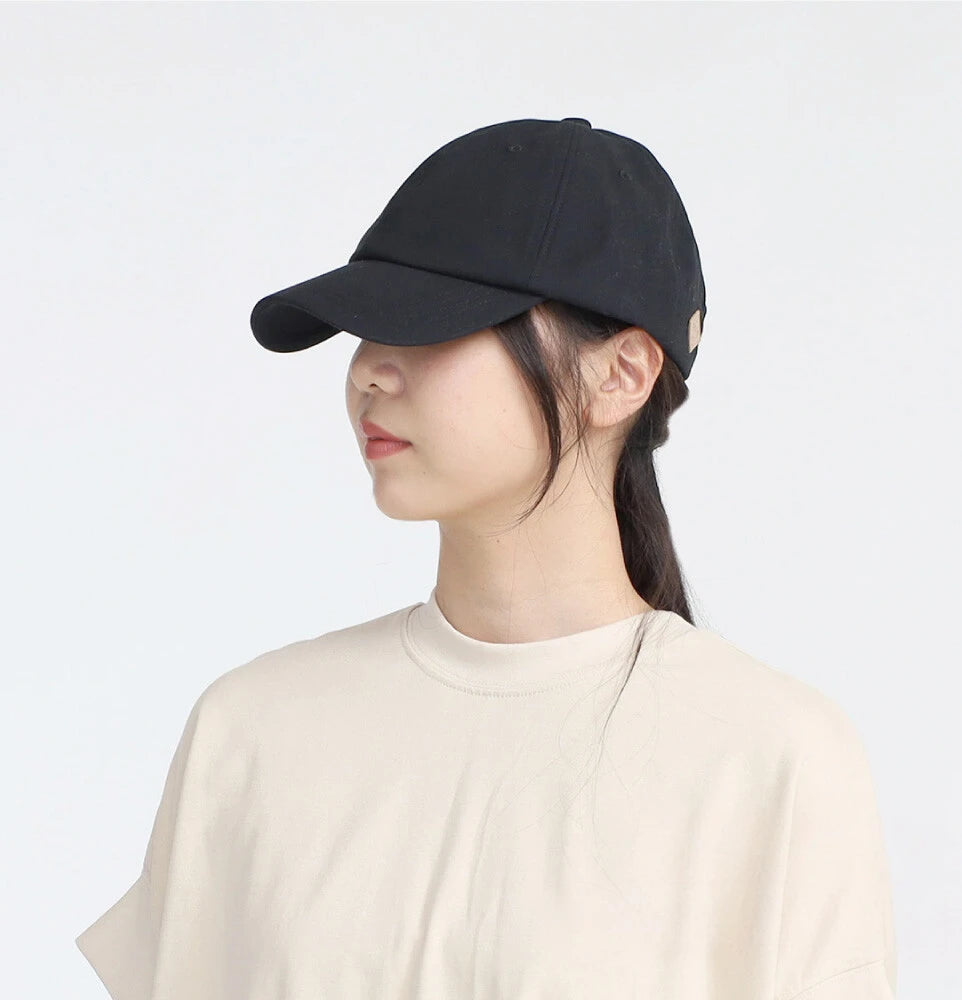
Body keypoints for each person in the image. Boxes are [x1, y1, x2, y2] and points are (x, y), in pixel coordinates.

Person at [75, 117, 897, 999]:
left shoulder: (770, 758)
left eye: (429, 325)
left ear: (621, 375)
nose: (368, 370)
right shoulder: (252, 732)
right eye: (364, 329)